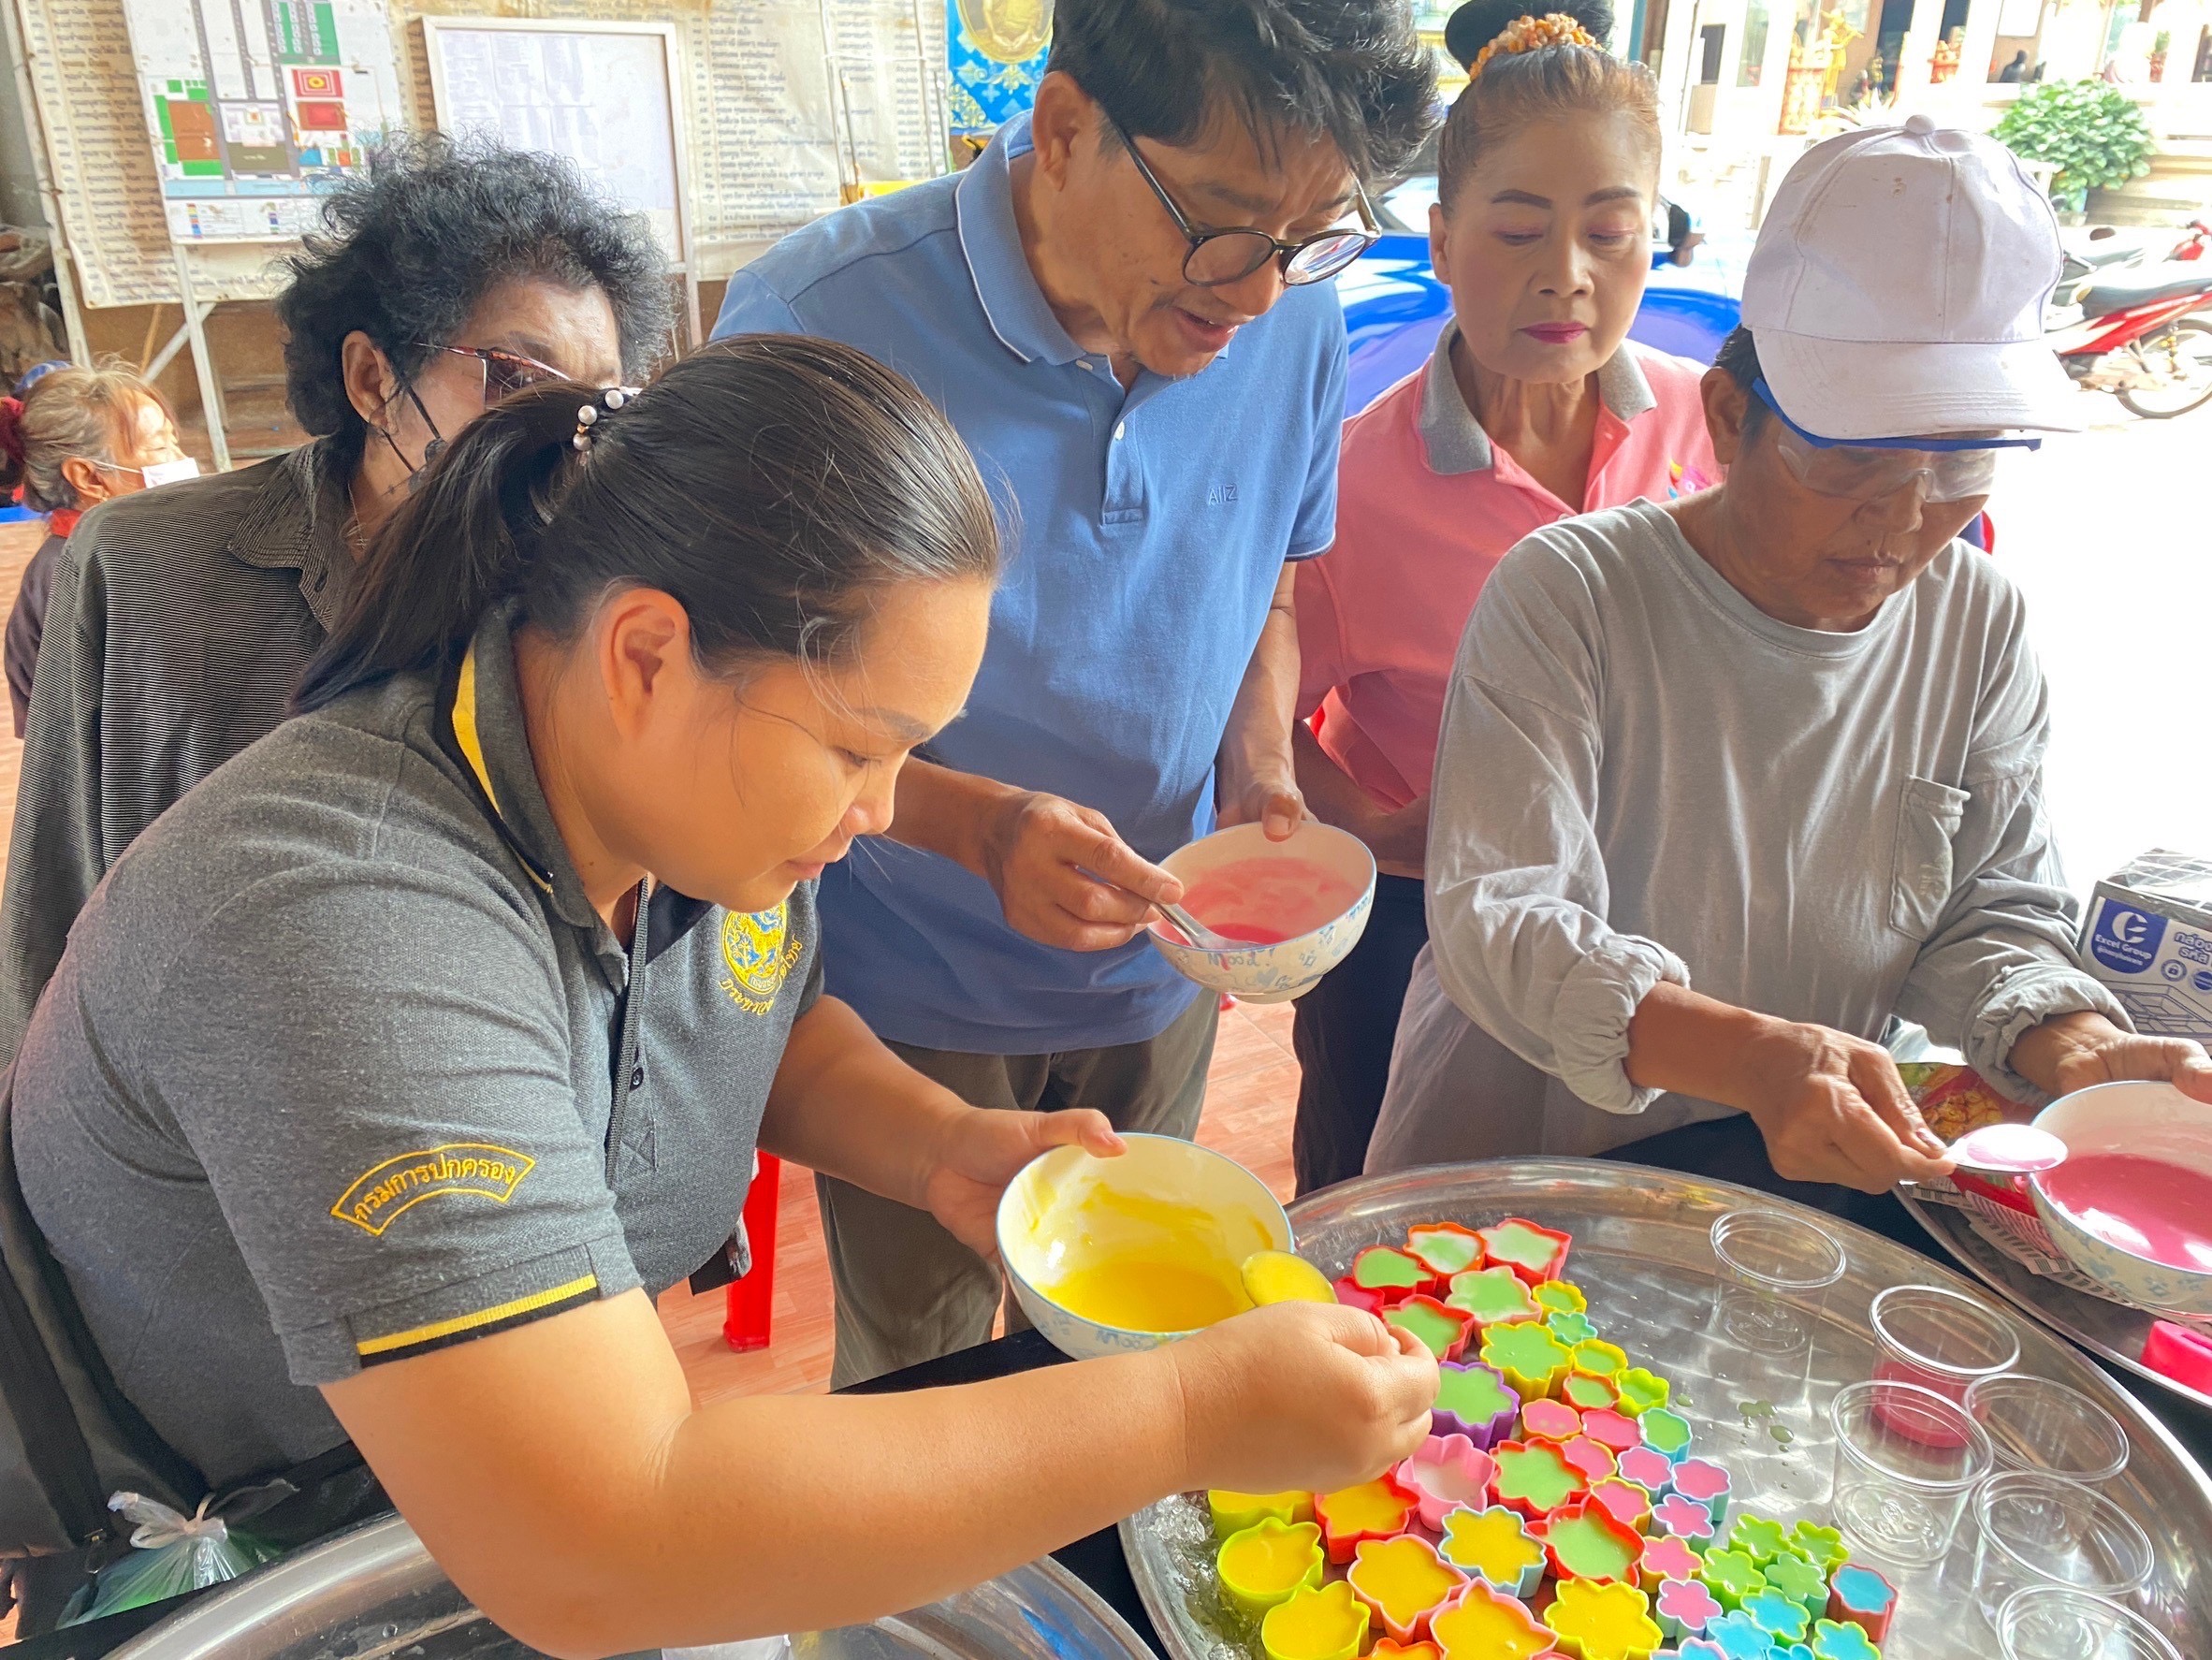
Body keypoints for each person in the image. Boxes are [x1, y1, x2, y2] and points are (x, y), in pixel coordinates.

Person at [10, 338, 1439, 1652]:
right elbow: (605, 1535)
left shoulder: (680, 798)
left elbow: (754, 1021)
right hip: (271, 1546)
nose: (882, 810)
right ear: (646, 652)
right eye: (858, 748)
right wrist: (1194, 1408)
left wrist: (945, 1146)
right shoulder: (345, 927)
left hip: (499, 1467)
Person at [715, 0, 1435, 1384]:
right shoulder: (823, 322)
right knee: (920, 1387)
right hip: (904, 994)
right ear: (1062, 127)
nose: (1257, 290)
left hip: (1159, 976)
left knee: (1128, 1352)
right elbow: (752, 706)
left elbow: (1267, 578)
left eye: (1312, 236)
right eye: (1221, 223)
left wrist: (1260, 767)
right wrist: (982, 829)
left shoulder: (1290, 320)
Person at [1365, 118, 2212, 1233]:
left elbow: (1987, 904)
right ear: (1729, 419)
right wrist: (1755, 1057)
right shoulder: (1574, 593)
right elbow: (1503, 918)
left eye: (1961, 459)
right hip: (1526, 1176)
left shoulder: (1978, 623)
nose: (1905, 517)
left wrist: (2074, 1045)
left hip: (1787, 1197)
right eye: (1851, 455)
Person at [0, 135, 670, 1062]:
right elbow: (54, 910)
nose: (556, 435)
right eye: (516, 379)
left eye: (599, 404)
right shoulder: (149, 571)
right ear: (370, 378)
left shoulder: (592, 600)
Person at [1288, 0, 1718, 1194]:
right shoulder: (1353, 483)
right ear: (1437, 238)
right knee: (1375, 1200)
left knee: (1606, 1202)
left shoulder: (1709, 425)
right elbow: (1261, 711)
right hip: (1415, 930)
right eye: (1518, 230)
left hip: (1650, 914)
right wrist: (1373, 835)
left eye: (1611, 234)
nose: (1566, 278)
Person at [0, 361, 191, 736]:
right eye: (159, 446)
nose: (179, 459)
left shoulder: (128, 551)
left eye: (173, 440)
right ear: (89, 477)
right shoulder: (84, 574)